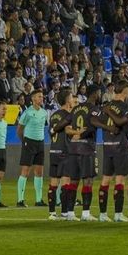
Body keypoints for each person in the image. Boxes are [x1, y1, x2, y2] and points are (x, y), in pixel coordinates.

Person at [94, 82, 128, 222]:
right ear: (124, 91)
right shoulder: (126, 107)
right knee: (120, 180)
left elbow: (94, 120)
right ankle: (118, 214)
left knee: (105, 180)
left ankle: (102, 215)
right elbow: (125, 126)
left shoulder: (105, 106)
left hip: (107, 146)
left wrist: (107, 128)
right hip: (120, 146)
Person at [66, 88, 96, 220]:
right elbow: (93, 126)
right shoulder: (93, 109)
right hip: (86, 148)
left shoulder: (75, 109)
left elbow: (66, 127)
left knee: (73, 181)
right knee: (87, 180)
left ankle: (70, 213)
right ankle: (85, 213)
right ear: (95, 94)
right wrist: (82, 134)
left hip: (73, 148)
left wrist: (75, 134)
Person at [47, 89, 77, 221]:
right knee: (66, 183)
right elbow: (67, 130)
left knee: (53, 184)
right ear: (67, 100)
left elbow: (50, 132)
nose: (73, 100)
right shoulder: (68, 115)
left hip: (53, 151)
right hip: (65, 152)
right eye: (71, 97)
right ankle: (65, 213)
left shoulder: (54, 115)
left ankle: (52, 213)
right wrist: (79, 131)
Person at [15, 90, 48, 208]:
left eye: (42, 97)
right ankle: (20, 200)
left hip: (40, 143)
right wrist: (24, 141)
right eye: (39, 97)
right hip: (29, 142)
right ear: (33, 99)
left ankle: (39, 199)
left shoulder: (44, 113)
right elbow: (19, 130)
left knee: (39, 172)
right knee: (25, 171)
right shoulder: (27, 113)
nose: (41, 98)